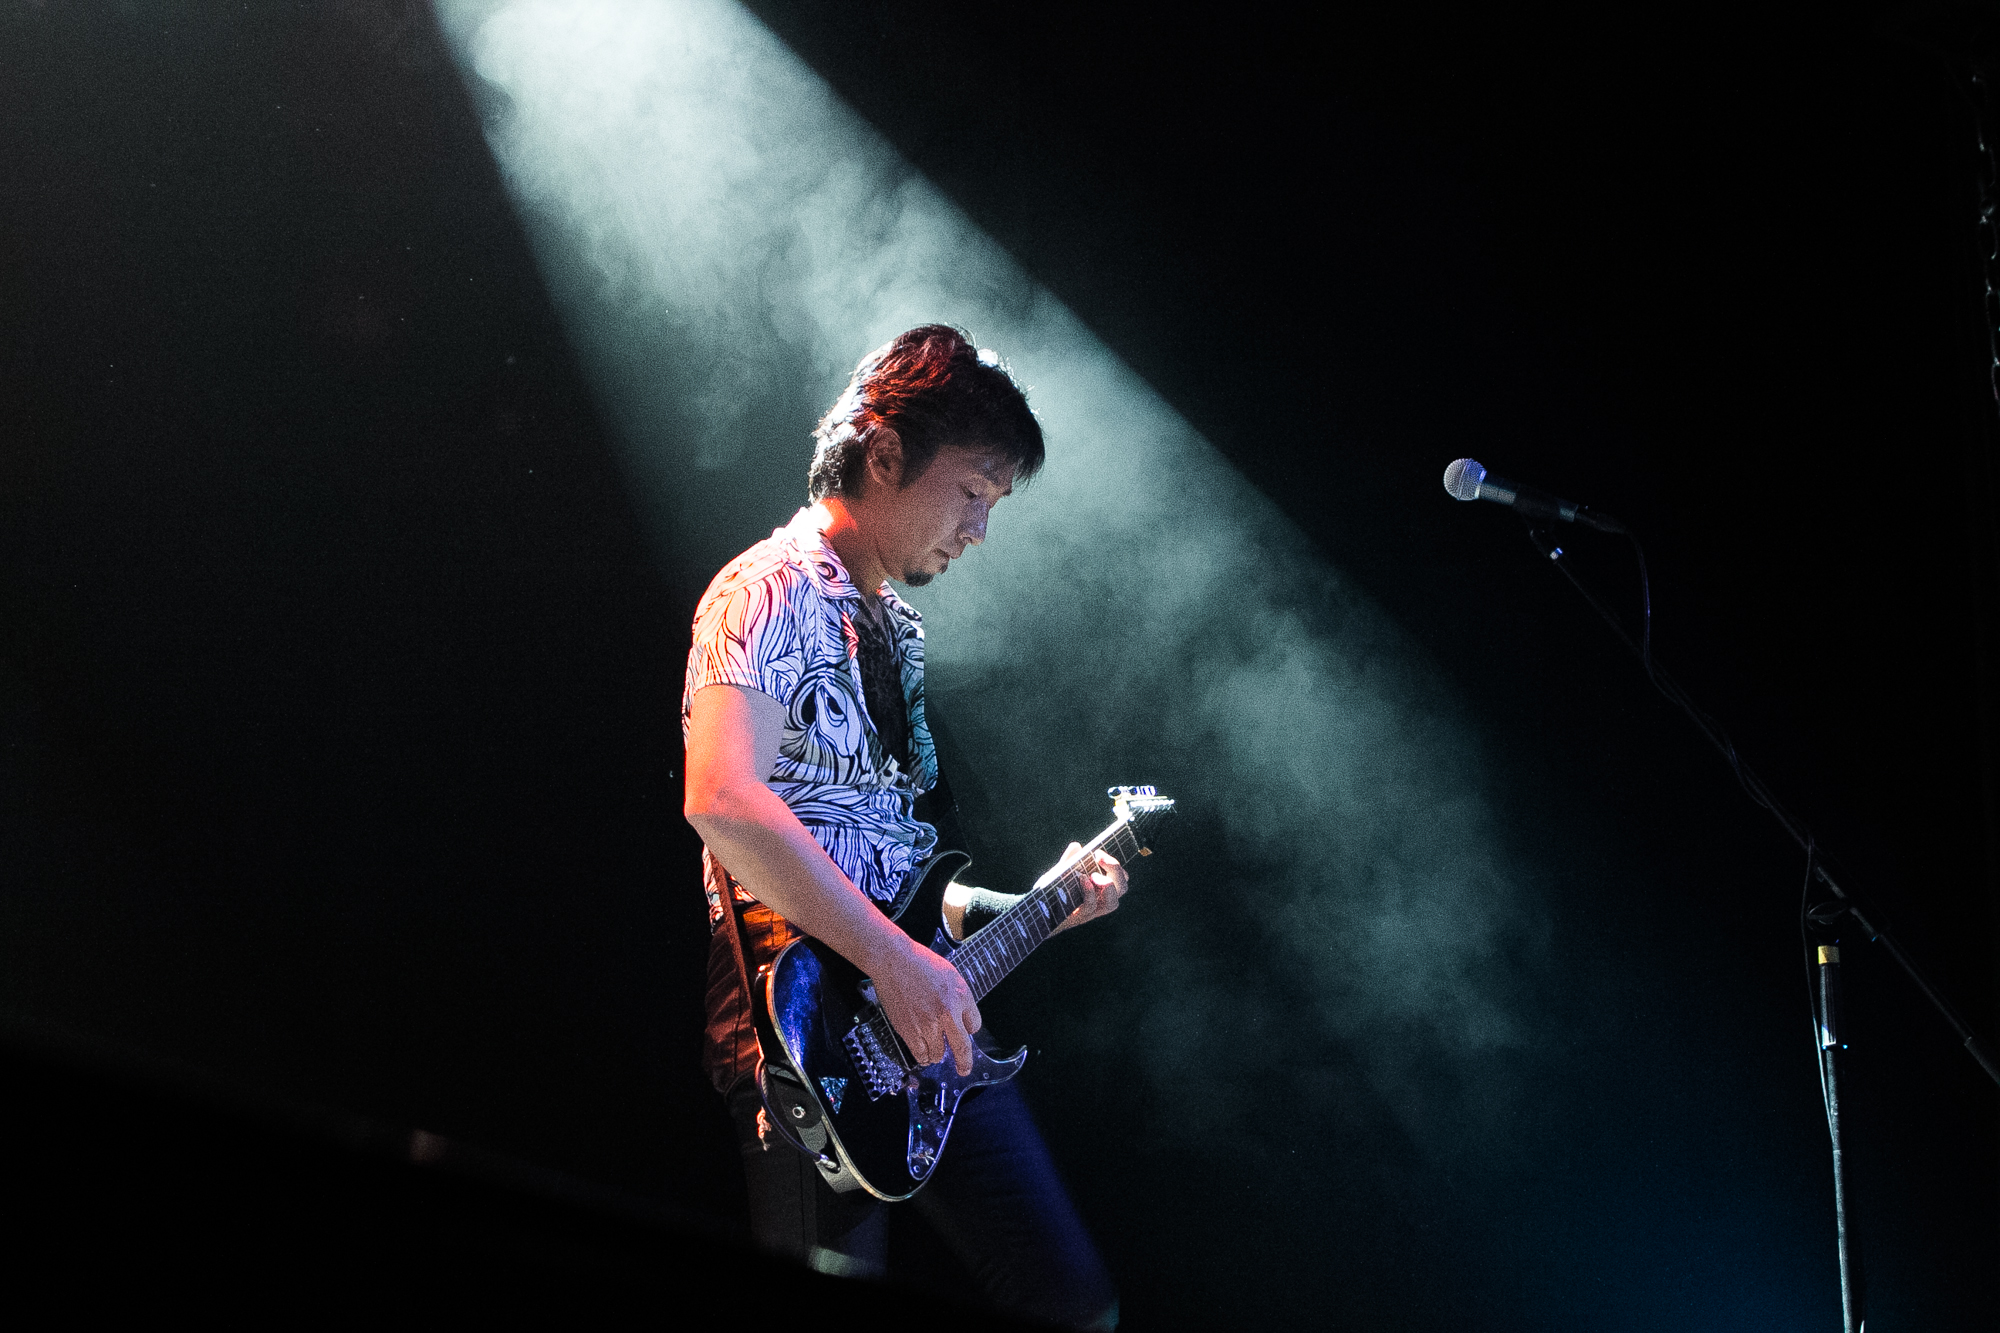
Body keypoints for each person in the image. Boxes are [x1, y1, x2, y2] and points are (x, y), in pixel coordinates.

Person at [681, 325, 1124, 1329]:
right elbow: (721, 796)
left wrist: (1038, 905)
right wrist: (893, 960)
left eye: (993, 502)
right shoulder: (766, 589)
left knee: (1073, 1300)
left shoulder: (896, 627)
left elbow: (903, 872)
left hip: (920, 1023)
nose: (980, 528)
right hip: (807, 1034)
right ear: (883, 454)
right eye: (972, 490)